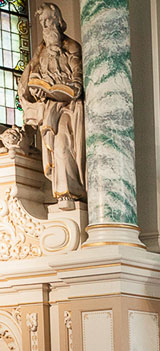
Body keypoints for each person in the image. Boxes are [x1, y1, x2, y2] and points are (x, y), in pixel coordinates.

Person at [19, 3, 86, 208]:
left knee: (63, 146)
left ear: (58, 21)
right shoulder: (40, 53)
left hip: (69, 109)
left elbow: (77, 85)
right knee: (56, 147)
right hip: (49, 110)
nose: (46, 26)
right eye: (42, 22)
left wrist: (63, 88)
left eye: (49, 20)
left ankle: (71, 192)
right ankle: (63, 193)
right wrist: (37, 91)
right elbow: (29, 81)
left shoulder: (71, 48)